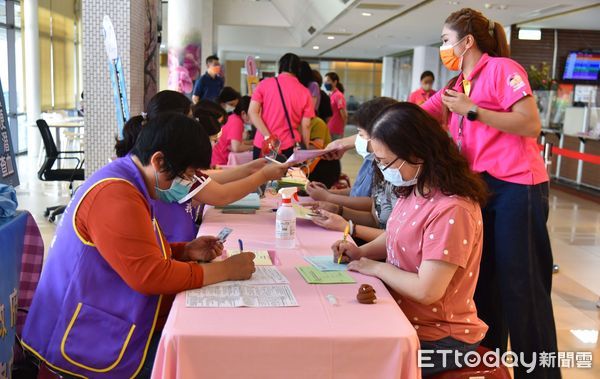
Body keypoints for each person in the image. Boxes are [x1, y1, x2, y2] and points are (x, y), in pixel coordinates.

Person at [22, 113, 257, 379]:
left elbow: (135, 250)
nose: (188, 184)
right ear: (158, 160)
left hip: (101, 312)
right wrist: (227, 270)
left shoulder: (130, 180)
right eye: (187, 175)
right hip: (81, 336)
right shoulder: (115, 195)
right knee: (195, 359)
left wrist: (184, 250)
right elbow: (150, 275)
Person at [421, 8, 559, 378]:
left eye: (447, 40)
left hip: (517, 185)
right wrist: (364, 135)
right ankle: (489, 368)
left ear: (467, 42)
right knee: (484, 285)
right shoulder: (455, 85)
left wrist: (473, 112)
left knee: (523, 287)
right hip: (480, 188)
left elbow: (529, 123)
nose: (444, 48)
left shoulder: (502, 70)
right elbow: (416, 116)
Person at [332, 103, 489, 377]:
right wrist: (358, 253)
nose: (382, 170)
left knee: (351, 364)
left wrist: (375, 267)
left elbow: (427, 291)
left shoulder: (453, 208)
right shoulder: (415, 188)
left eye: (386, 162)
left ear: (417, 154)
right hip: (402, 316)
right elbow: (395, 236)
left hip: (440, 336)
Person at [115, 90, 290, 243]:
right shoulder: (166, 166)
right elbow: (221, 194)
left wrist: (250, 169)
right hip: (172, 245)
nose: (194, 124)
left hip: (176, 246)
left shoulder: (155, 162)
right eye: (190, 118)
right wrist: (262, 175)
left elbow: (203, 179)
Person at [306, 97, 399, 243]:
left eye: (361, 136)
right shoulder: (380, 163)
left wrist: (349, 225)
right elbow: (375, 215)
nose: (358, 142)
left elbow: (396, 241)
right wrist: (337, 209)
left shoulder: (401, 175)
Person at [248, 52, 315, 160]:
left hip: (264, 145)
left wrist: (268, 137)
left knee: (260, 176)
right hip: (289, 146)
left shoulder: (264, 84)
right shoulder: (305, 92)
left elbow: (252, 112)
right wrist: (305, 150)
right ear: (298, 69)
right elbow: (306, 125)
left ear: (280, 66)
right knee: (287, 177)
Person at [211, 95, 254, 166]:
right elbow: (236, 147)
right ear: (243, 113)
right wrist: (254, 147)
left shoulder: (232, 118)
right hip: (220, 162)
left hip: (217, 158)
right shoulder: (237, 122)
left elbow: (235, 143)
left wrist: (252, 142)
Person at [325, 72, 347, 140]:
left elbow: (344, 115)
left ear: (335, 82)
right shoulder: (330, 95)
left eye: (328, 81)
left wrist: (342, 129)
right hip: (329, 128)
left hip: (336, 130)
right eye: (325, 81)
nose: (326, 83)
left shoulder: (338, 95)